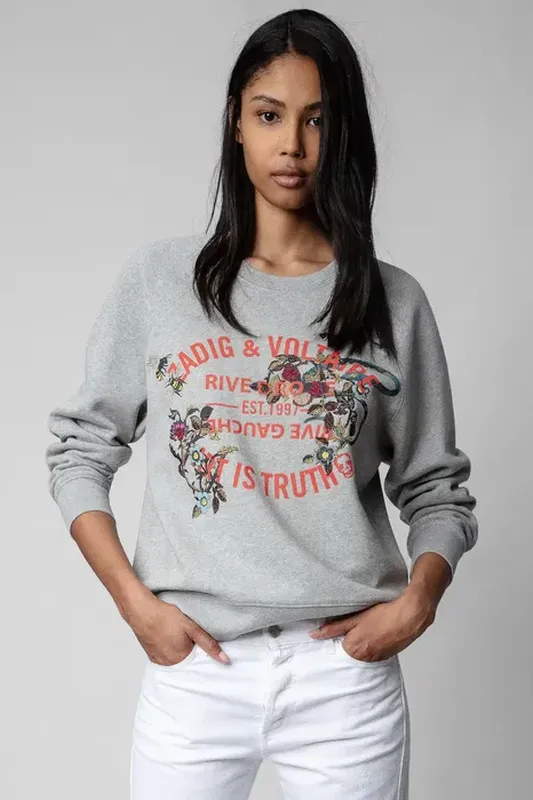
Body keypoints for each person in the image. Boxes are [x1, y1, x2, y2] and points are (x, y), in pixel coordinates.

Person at [44, 8, 478, 799]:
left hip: (343, 680)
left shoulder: (392, 302)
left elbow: (435, 488)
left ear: (343, 133)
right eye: (269, 115)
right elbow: (80, 450)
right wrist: (132, 602)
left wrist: (421, 597)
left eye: (317, 120)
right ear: (235, 124)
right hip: (198, 671)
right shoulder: (160, 282)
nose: (292, 147)